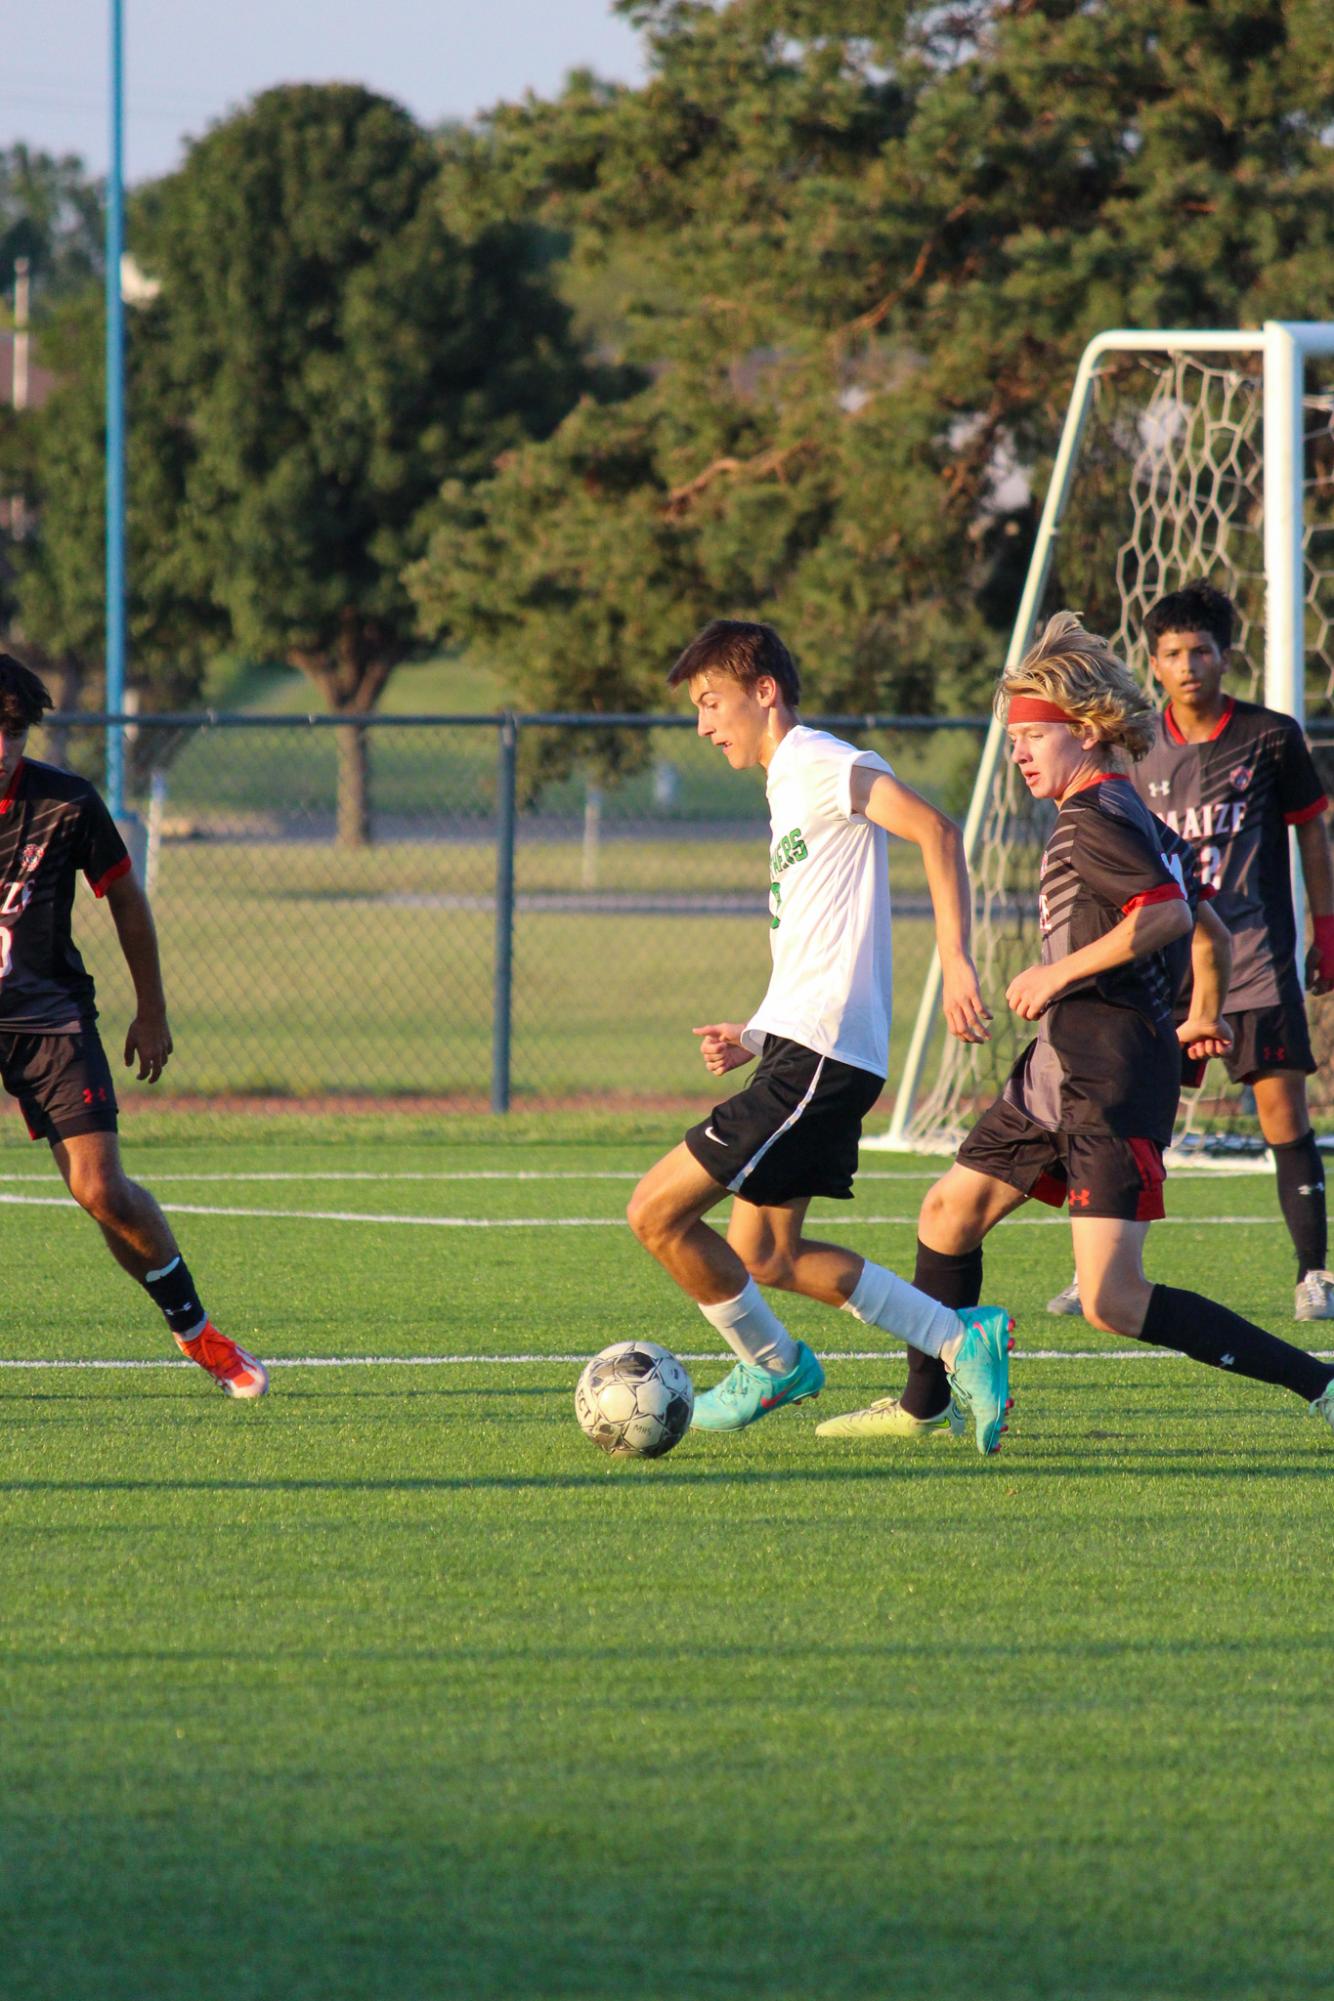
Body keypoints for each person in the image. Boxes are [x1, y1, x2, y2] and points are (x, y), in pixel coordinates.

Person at [819, 614, 1334, 1444]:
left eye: (1032, 737)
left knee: (1112, 1300)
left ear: (1087, 731)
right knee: (948, 1211)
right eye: (1013, 738)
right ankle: (925, 1404)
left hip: (1108, 1073)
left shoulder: (1094, 816)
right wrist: (1199, 1013)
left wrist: (1058, 972)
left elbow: (1166, 914)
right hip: (1065, 1062)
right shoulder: (1128, 805)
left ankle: (1323, 1381)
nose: (1019, 753)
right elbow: (1213, 930)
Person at [625, 618, 1012, 1454]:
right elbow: (823, 940)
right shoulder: (785, 786)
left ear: (765, 692)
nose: (703, 724)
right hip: (810, 1051)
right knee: (765, 1250)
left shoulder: (819, 761)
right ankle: (955, 1338)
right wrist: (758, 1033)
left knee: (654, 1212)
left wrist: (955, 961)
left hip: (827, 1056)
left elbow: (939, 832)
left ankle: (772, 1366)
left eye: (712, 701)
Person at [1047, 580, 1334, 1323]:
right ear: (1153, 662)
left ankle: (1315, 1273)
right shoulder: (1137, 751)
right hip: (1165, 967)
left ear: (1224, 655)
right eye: (1172, 653)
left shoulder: (1272, 737)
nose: (1188, 665)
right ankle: (1096, 1270)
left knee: (1283, 1117)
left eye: (1201, 651)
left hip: (1258, 959)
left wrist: (1327, 928)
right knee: (1129, 1114)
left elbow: (1311, 829)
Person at [0, 653, 266, 1397]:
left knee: (101, 1189)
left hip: (51, 1020)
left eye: (13, 731)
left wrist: (151, 1009)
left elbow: (125, 900)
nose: (1, 747)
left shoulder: (67, 803)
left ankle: (199, 1333)